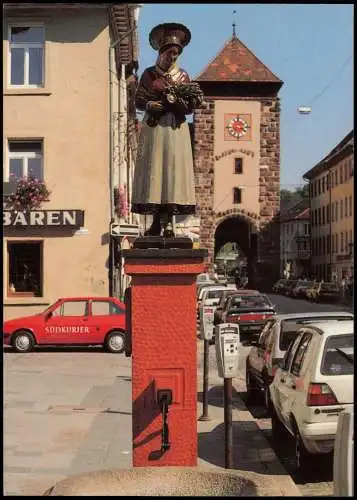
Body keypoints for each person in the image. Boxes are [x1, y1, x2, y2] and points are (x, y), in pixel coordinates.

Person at [131, 23, 204, 237]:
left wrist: (178, 102)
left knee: (173, 172)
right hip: (154, 129)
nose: (172, 58)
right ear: (161, 52)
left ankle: (170, 223)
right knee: (155, 170)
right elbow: (139, 99)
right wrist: (149, 105)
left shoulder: (183, 76)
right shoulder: (149, 74)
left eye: (176, 54)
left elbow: (191, 106)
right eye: (169, 53)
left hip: (174, 130)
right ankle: (155, 222)